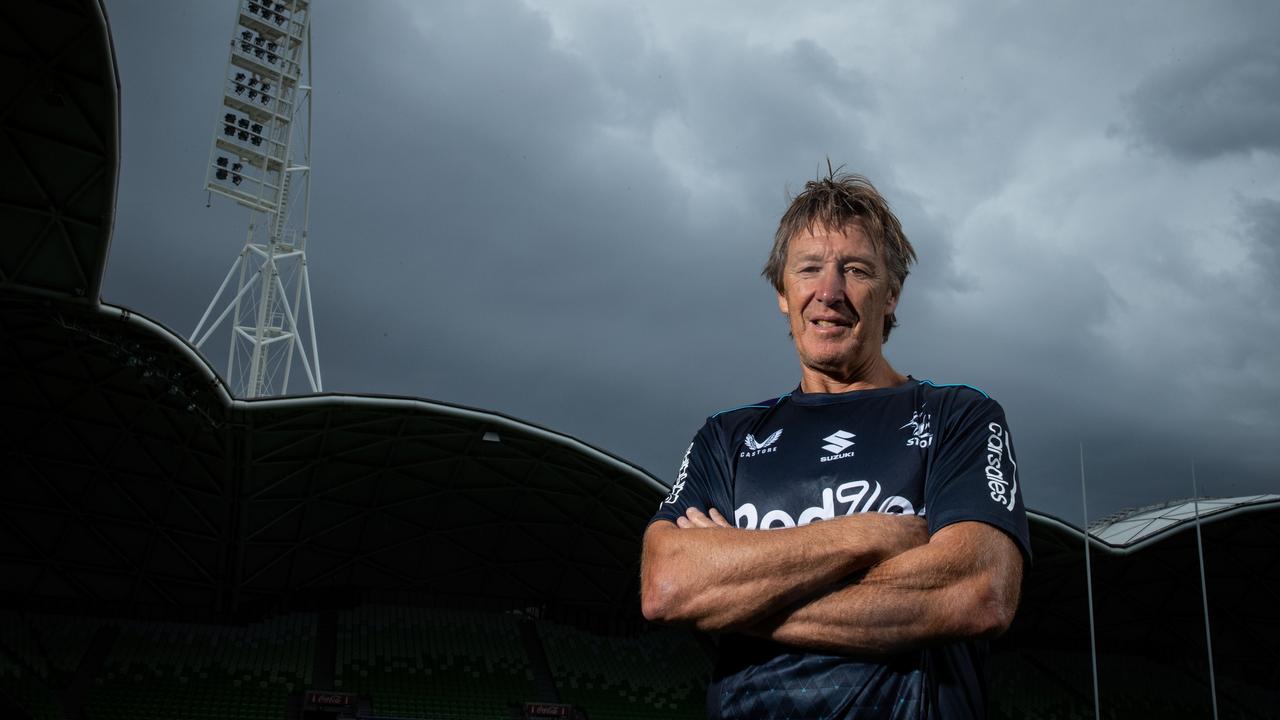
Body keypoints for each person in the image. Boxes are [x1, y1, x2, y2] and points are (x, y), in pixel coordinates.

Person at [640, 170, 1030, 719]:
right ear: (783, 292)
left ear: (891, 294)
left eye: (856, 269)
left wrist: (736, 595)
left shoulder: (958, 417)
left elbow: (976, 590)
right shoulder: (726, 437)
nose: (830, 292)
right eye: (809, 270)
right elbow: (668, 584)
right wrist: (870, 535)